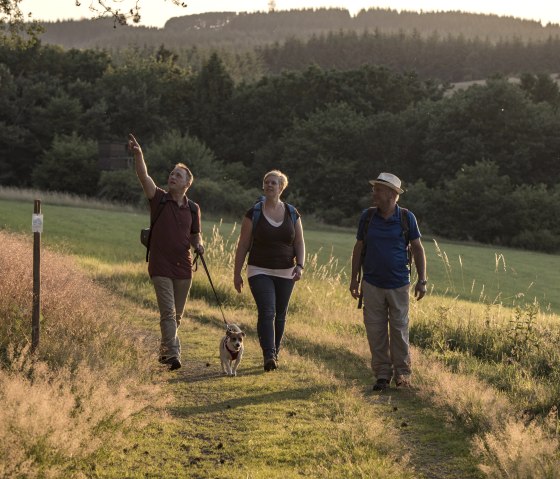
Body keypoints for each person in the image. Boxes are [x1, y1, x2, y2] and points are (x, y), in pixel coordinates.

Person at [128, 133, 204, 371]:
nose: (172, 176)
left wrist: (199, 245)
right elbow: (144, 176)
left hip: (183, 267)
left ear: (186, 184)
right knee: (168, 313)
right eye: (172, 174)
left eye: (177, 175)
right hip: (160, 265)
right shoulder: (158, 198)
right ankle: (173, 354)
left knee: (176, 316)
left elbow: (195, 234)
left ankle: (164, 352)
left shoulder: (193, 208)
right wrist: (139, 155)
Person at [349, 172, 427, 391]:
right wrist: (354, 279)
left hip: (399, 284)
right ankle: (382, 374)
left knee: (399, 329)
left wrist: (422, 280)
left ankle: (403, 374)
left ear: (392, 194)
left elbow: (418, 249)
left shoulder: (406, 218)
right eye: (374, 189)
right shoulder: (367, 217)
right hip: (371, 283)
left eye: (379, 190)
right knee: (375, 331)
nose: (374, 193)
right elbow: (359, 248)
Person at [233, 170, 306, 371]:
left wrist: (300, 265)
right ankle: (269, 355)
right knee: (267, 310)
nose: (269, 185)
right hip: (258, 270)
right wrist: (237, 273)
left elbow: (299, 242)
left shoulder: (292, 213)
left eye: (274, 183)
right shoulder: (254, 213)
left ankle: (275, 351)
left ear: (281, 187)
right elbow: (243, 244)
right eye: (266, 182)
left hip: (286, 272)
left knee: (280, 314)